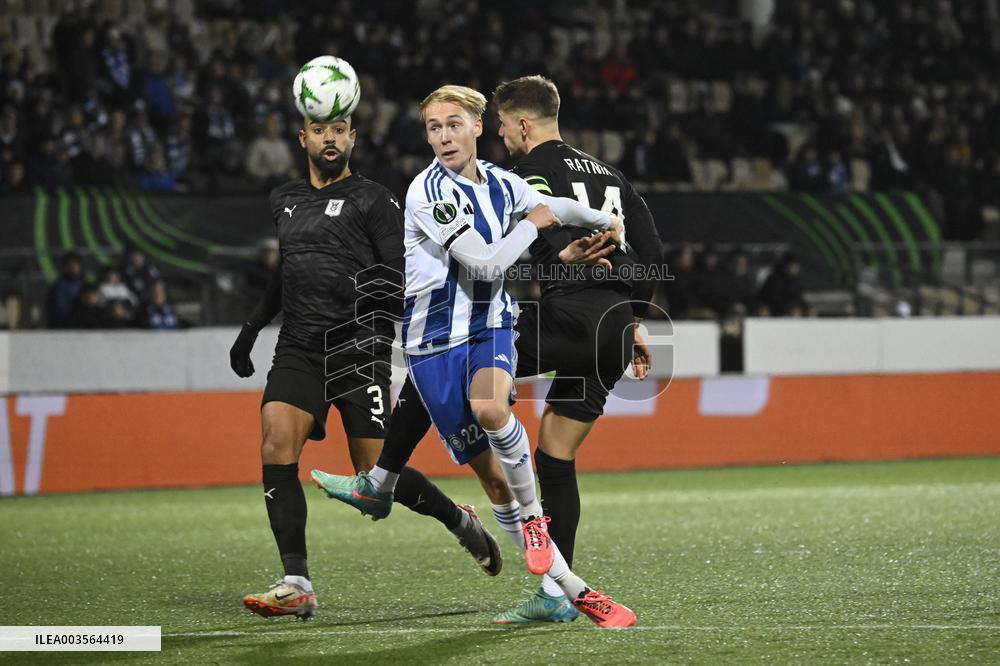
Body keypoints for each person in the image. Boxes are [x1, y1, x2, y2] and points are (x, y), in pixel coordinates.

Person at [311, 84, 636, 628]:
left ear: (477, 127)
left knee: (492, 410)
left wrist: (599, 221)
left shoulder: (502, 182)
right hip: (433, 344)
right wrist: (536, 225)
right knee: (492, 483)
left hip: (491, 326)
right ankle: (572, 587)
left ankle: (532, 528)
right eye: (434, 128)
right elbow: (486, 263)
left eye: (453, 124)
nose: (443, 137)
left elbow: (550, 205)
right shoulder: (427, 193)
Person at [229, 106, 502, 620]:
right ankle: (297, 582)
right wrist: (250, 330)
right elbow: (285, 273)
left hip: (359, 349)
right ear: (302, 137)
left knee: (374, 474)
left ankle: (457, 519)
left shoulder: (375, 200)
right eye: (318, 131)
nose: (329, 139)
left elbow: (402, 274)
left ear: (353, 137)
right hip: (300, 346)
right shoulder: (283, 199)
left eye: (338, 131)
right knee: (274, 441)